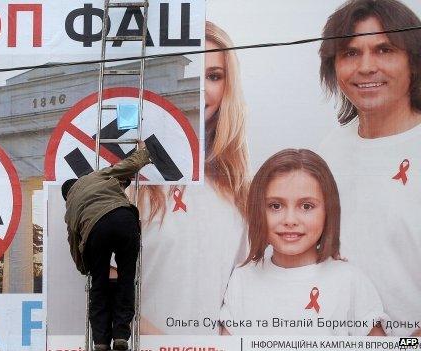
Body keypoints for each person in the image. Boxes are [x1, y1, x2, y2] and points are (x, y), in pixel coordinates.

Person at [137, 21, 250, 335]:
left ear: (228, 86)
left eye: (213, 76)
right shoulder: (131, 178)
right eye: (189, 73)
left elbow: (238, 294)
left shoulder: (239, 187)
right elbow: (106, 288)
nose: (200, 88)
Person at [318, 0, 421, 336]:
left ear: (414, 62)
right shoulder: (329, 151)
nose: (365, 67)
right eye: (349, 53)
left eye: (384, 49)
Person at [219, 149, 387, 336]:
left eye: (306, 206)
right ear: (258, 210)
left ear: (328, 211)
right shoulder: (242, 280)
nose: (290, 220)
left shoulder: (350, 281)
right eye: (275, 206)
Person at [61, 140, 150, 351]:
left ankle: (101, 341)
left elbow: (74, 244)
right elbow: (127, 165)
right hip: (123, 218)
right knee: (127, 279)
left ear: (67, 195)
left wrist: (87, 268)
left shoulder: (70, 208)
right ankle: (121, 336)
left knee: (99, 286)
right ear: (78, 181)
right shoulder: (94, 176)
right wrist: (143, 152)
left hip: (95, 230)